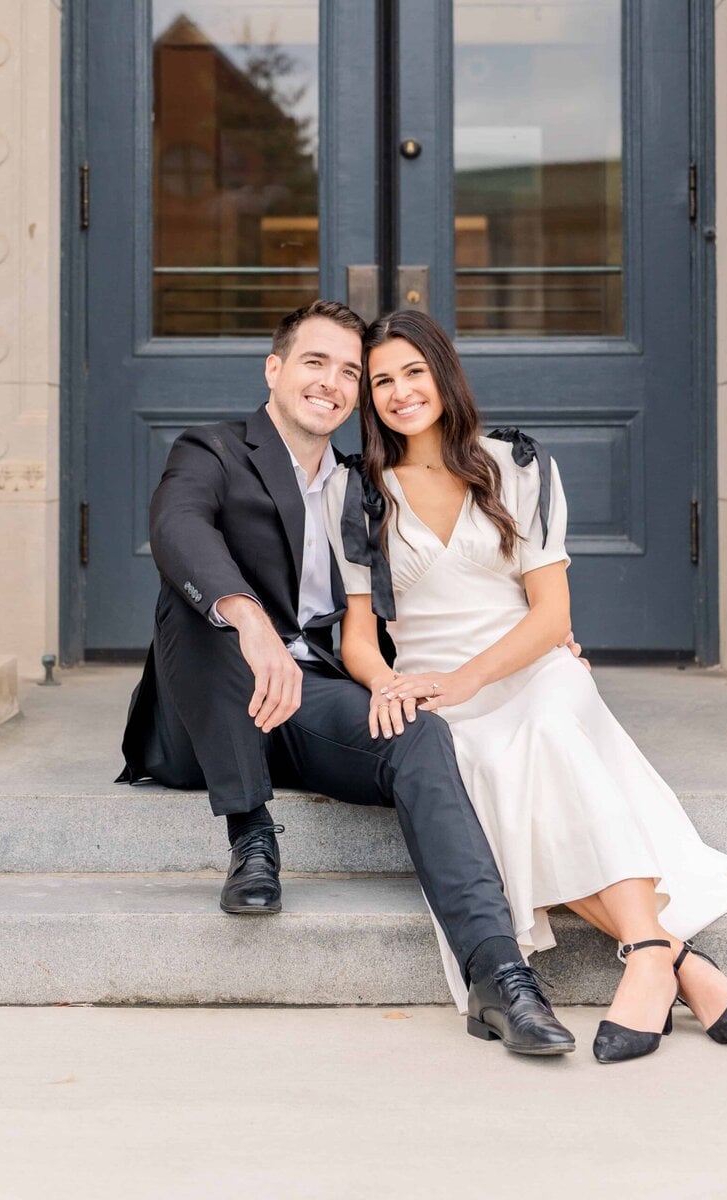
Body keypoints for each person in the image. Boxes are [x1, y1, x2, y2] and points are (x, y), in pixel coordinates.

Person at [117, 298, 589, 1057]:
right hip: (210, 712)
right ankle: (251, 834)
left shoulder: (356, 486)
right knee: (196, 604)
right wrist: (248, 620)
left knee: (418, 734)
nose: (331, 383)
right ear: (274, 370)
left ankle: (499, 975)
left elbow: (444, 586)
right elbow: (179, 530)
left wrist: (554, 634)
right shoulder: (211, 450)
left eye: (348, 372)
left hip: (309, 699)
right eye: (315, 362)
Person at [322, 308, 727, 1064]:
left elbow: (551, 613)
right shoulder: (358, 494)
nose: (399, 393)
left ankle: (653, 960)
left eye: (413, 373)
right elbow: (358, 637)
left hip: (532, 666)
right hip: (436, 689)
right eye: (381, 381)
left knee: (548, 736)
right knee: (492, 775)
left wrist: (464, 681)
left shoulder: (515, 465)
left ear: (444, 374)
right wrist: (391, 683)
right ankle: (669, 958)